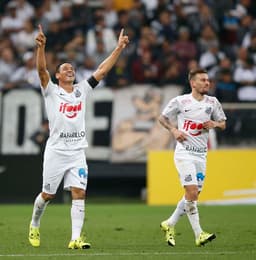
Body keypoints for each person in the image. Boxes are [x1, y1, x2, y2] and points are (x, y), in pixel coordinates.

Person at [28, 24, 129, 249]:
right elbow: (41, 71)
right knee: (47, 195)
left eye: (72, 69)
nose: (70, 71)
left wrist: (119, 48)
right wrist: (41, 48)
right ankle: (34, 223)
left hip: (76, 152)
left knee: (79, 192)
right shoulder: (51, 91)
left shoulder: (82, 89)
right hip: (56, 151)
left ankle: (75, 238)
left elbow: (102, 70)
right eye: (65, 69)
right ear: (57, 75)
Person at [158, 68, 226, 247]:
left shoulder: (213, 102)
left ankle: (169, 223)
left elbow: (223, 123)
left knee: (192, 195)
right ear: (193, 83)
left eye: (208, 80)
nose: (207, 83)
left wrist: (215, 124)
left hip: (201, 155)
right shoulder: (180, 101)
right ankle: (199, 234)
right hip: (184, 153)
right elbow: (162, 118)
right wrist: (174, 130)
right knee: (192, 193)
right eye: (203, 80)